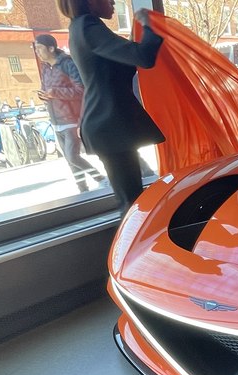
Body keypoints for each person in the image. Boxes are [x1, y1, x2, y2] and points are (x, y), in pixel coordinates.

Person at [55, 0, 165, 216]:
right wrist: (149, 25)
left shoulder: (81, 27)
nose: (113, 2)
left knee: (132, 201)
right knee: (131, 204)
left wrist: (137, 38)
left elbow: (123, 66)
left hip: (108, 125)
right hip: (108, 126)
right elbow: (144, 58)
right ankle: (131, 239)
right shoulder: (87, 26)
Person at [34, 34, 106, 193]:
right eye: (35, 48)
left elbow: (81, 90)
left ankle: (100, 178)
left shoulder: (67, 64)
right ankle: (83, 190)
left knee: (72, 156)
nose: (37, 52)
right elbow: (47, 90)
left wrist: (55, 92)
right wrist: (44, 95)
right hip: (56, 119)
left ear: (51, 48)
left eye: (39, 48)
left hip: (71, 119)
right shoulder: (45, 68)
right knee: (70, 159)